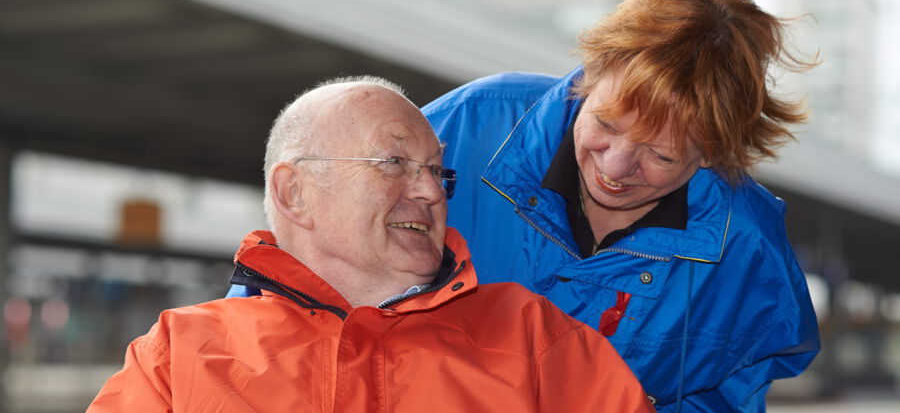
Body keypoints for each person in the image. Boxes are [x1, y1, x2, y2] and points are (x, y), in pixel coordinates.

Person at [87, 77, 654, 413]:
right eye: (394, 164)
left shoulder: (536, 340)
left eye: (438, 172)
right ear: (295, 192)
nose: (431, 190)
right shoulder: (176, 355)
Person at [420, 0, 820, 411]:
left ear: (714, 152)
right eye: (605, 124)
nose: (615, 166)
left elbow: (730, 391)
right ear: (590, 76)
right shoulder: (467, 128)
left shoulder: (748, 246)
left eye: (660, 154)